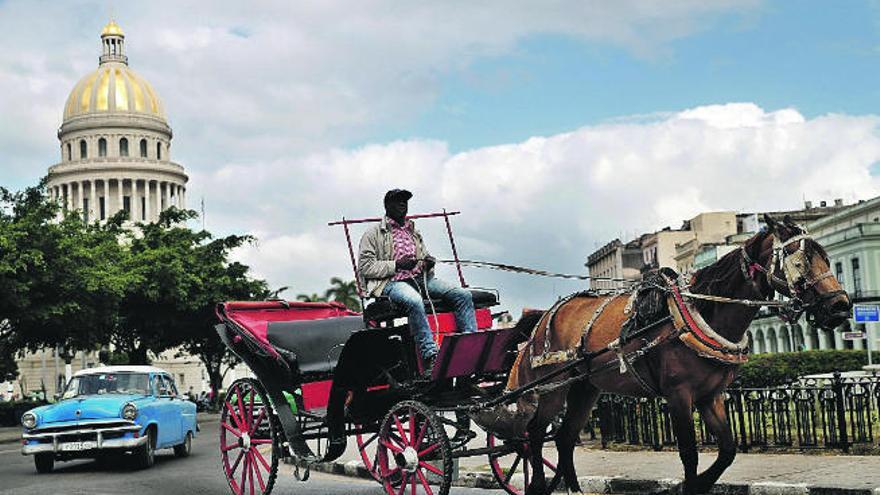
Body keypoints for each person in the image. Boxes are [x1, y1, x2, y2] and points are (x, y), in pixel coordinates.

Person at [358, 189, 477, 374]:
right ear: (387, 206)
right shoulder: (373, 234)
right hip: (390, 283)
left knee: (462, 295)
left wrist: (428, 263)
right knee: (414, 301)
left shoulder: (413, 231)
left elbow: (422, 258)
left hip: (421, 280)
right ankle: (430, 354)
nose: (402, 205)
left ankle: (470, 347)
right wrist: (396, 265)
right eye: (397, 201)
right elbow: (365, 267)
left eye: (405, 201)